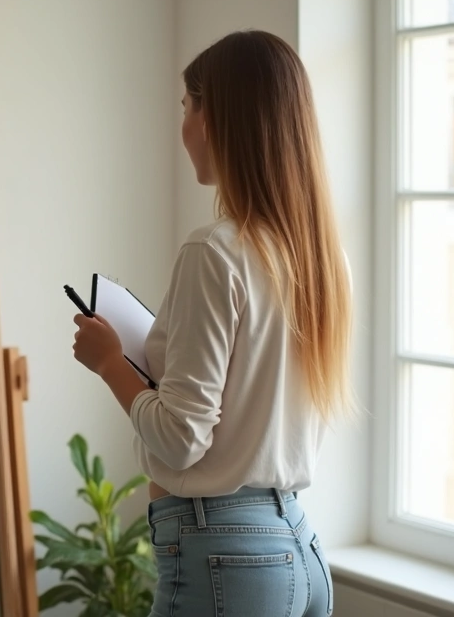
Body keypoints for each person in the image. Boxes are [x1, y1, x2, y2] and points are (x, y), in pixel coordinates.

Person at [71, 30, 352, 617]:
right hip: (298, 549)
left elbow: (180, 438)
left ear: (217, 116)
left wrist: (109, 363)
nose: (184, 127)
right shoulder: (322, 259)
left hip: (226, 558)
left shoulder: (214, 251)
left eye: (186, 106)